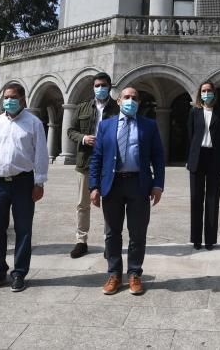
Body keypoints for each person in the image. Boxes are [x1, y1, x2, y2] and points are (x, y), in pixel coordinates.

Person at [89, 85, 165, 296]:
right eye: (127, 97)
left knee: (137, 233)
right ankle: (114, 274)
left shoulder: (148, 126)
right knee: (112, 233)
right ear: (119, 101)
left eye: (134, 97)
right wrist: (94, 186)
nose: (131, 100)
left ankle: (134, 274)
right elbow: (97, 158)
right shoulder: (106, 125)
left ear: (138, 102)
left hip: (139, 185)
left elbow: (158, 157)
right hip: (112, 185)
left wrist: (158, 185)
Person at [0, 82, 48, 292]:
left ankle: (19, 273)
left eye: (13, 97)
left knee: (23, 230)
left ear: (23, 99)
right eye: (6, 97)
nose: (9, 101)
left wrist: (39, 182)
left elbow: (41, 154)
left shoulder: (33, 123)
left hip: (23, 183)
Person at [67, 71, 119, 258]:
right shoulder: (82, 108)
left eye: (103, 85)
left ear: (109, 87)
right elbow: (70, 131)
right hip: (85, 161)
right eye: (97, 85)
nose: (100, 89)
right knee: (83, 203)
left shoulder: (117, 109)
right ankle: (81, 241)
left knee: (110, 204)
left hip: (108, 163)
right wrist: (83, 138)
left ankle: (109, 241)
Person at [186, 80, 220, 250]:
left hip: (214, 158)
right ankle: (196, 239)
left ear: (214, 93)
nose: (206, 93)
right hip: (197, 157)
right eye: (203, 90)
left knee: (212, 199)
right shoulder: (194, 112)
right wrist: (190, 156)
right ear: (199, 94)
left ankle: (210, 239)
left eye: (209, 90)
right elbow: (190, 135)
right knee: (196, 199)